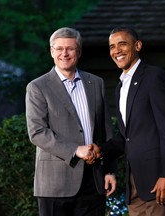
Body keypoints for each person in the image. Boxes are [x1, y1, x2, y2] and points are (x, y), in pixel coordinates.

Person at [25, 27, 116, 216]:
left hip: (94, 181)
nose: (64, 53)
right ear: (51, 51)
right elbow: (37, 132)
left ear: (79, 52)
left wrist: (110, 171)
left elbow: (106, 132)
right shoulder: (37, 87)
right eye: (59, 49)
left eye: (70, 48)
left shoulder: (96, 83)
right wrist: (76, 150)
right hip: (55, 184)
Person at [102, 27, 165, 216]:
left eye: (122, 44)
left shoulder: (154, 77)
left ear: (137, 45)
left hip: (160, 183)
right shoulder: (120, 87)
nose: (117, 51)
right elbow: (127, 137)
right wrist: (99, 151)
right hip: (134, 187)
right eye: (112, 47)